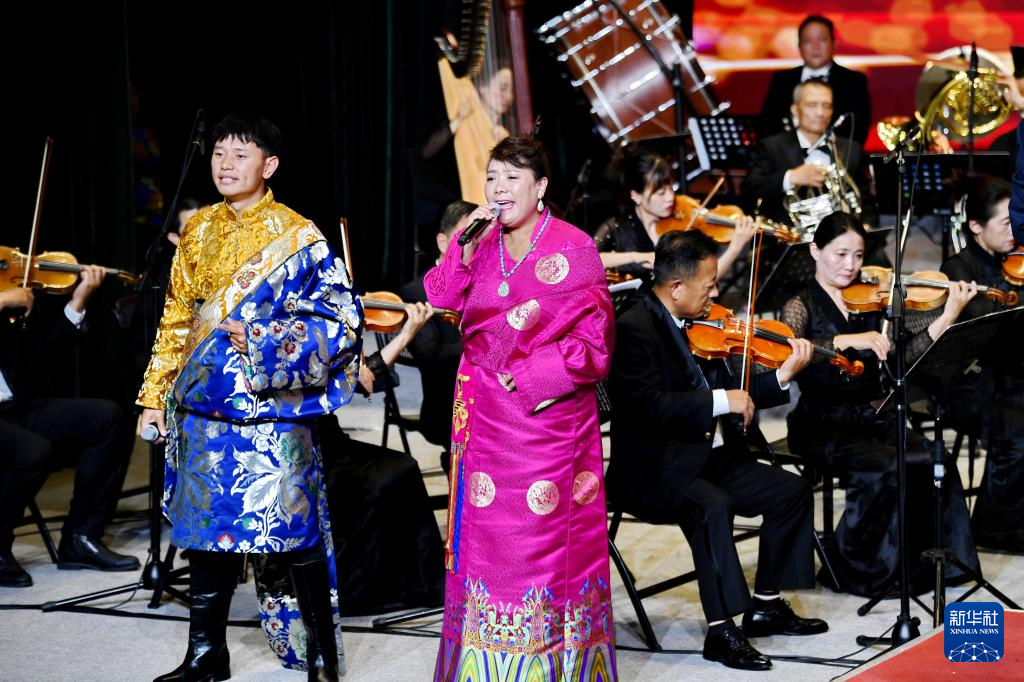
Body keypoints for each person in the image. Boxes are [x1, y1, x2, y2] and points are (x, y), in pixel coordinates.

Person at [138, 114, 362, 681]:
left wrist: (265, 338)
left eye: (240, 154)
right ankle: (206, 655)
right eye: (219, 153)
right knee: (205, 535)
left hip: (274, 411)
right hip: (202, 409)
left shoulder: (300, 235)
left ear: (270, 165)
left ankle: (320, 656)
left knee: (294, 533)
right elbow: (175, 320)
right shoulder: (197, 230)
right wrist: (154, 395)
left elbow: (343, 321)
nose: (226, 164)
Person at [425, 135, 617, 680]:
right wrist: (460, 247)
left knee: (540, 547)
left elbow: (597, 344)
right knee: (482, 545)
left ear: (541, 187)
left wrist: (531, 376)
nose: (499, 188)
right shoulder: (479, 242)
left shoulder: (575, 248)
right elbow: (441, 297)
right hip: (482, 416)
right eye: (492, 177)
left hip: (547, 422)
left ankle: (549, 667)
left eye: (512, 177)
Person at [606, 230, 823, 672]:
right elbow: (649, 406)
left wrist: (782, 376)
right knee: (712, 506)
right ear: (676, 287)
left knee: (792, 492)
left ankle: (766, 604)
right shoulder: (634, 329)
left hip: (711, 456)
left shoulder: (705, 323)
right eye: (709, 285)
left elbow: (736, 393)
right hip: (657, 468)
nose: (717, 293)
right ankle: (721, 631)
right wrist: (722, 400)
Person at [781, 212, 980, 597]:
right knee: (888, 466)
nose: (851, 265)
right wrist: (845, 341)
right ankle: (862, 568)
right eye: (840, 254)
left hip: (873, 415)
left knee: (934, 458)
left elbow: (905, 358)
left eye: (858, 255)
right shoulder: (799, 305)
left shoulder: (870, 301)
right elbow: (791, 355)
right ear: (815, 251)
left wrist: (948, 316)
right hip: (822, 423)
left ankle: (930, 566)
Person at [0, 276, 140, 588]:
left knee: (106, 418)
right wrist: (3, 301)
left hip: (16, 406)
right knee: (32, 451)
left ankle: (81, 537)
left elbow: (40, 354)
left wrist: (78, 300)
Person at [942, 175, 1024, 552]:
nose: (1015, 231)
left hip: (1012, 375)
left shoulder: (1015, 259)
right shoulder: (958, 269)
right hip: (969, 384)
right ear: (976, 226)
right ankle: (995, 527)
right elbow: (985, 332)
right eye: (1006, 223)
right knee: (1016, 429)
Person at [594, 146, 755, 283]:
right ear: (636, 195)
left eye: (671, 188)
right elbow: (586, 261)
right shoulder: (617, 227)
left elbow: (704, 284)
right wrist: (638, 257)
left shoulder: (683, 226)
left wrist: (735, 248)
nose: (670, 198)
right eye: (660, 193)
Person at [743, 78, 874, 228]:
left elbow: (865, 198)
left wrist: (866, 224)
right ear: (795, 109)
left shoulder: (852, 148)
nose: (820, 113)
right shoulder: (772, 146)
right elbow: (750, 187)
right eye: (812, 105)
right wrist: (791, 177)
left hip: (844, 236)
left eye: (826, 106)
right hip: (789, 237)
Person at [400, 199, 470, 475]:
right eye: (466, 238)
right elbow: (430, 356)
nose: (474, 247)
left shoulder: (488, 286)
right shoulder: (418, 292)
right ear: (443, 242)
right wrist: (479, 343)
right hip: (447, 408)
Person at [758, 15, 871, 144]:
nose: (815, 46)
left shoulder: (854, 81)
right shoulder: (782, 80)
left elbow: (858, 131)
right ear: (799, 46)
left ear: (834, 44)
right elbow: (767, 126)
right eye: (808, 41)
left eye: (822, 39)